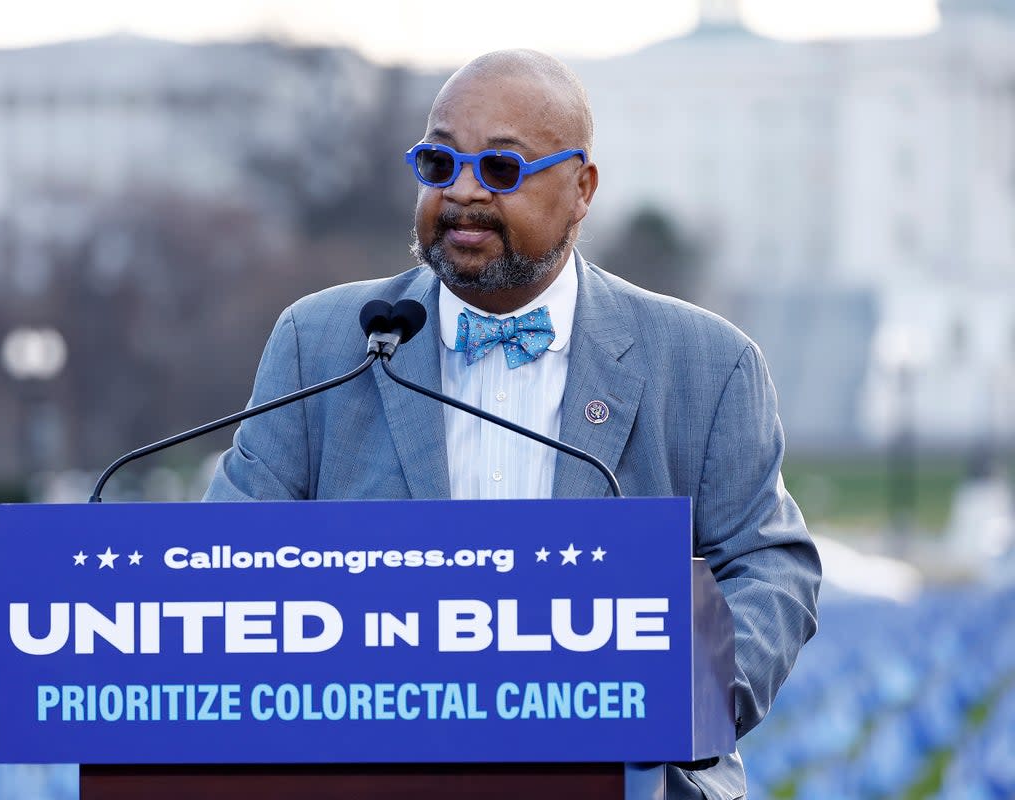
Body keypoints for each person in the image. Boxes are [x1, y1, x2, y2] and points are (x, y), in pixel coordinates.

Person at [206, 49, 820, 799]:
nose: (462, 192)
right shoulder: (322, 341)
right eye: (439, 163)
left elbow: (770, 568)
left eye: (501, 168)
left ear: (583, 187)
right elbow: (230, 563)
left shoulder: (707, 363)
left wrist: (681, 701)